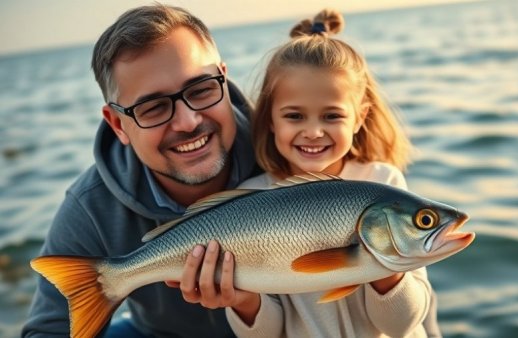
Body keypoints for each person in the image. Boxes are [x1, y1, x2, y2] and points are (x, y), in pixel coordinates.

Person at [22, 4, 261, 337]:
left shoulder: (290, 150)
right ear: (118, 124)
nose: (188, 122)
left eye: (202, 89)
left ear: (223, 75)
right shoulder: (92, 205)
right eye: (153, 108)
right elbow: (47, 330)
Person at [221, 9, 442, 338]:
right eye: (294, 116)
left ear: (359, 117)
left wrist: (384, 266)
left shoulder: (384, 184)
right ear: (269, 119)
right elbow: (265, 334)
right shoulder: (253, 200)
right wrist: (242, 302)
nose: (313, 132)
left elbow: (401, 326)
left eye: (332, 116)